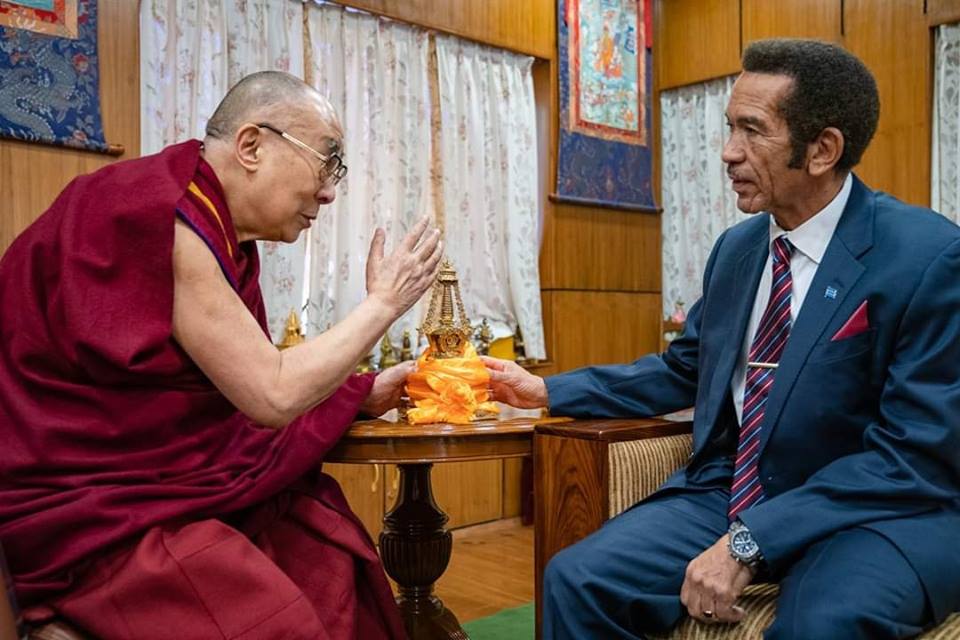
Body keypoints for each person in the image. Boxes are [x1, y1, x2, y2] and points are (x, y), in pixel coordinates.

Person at [485, 39, 960, 639]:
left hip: (871, 512)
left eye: (752, 131)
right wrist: (547, 391)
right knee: (578, 578)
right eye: (729, 127)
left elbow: (912, 456)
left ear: (823, 149)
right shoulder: (737, 251)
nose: (727, 153)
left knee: (824, 624)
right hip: (731, 489)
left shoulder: (927, 256)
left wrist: (749, 543)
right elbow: (686, 370)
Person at [0, 71, 443, 639]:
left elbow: (226, 397)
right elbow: (270, 392)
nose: (330, 192)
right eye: (327, 164)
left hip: (152, 485)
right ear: (252, 145)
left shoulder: (214, 229)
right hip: (89, 512)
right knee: (280, 624)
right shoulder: (158, 216)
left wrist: (354, 394)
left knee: (325, 542)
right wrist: (383, 303)